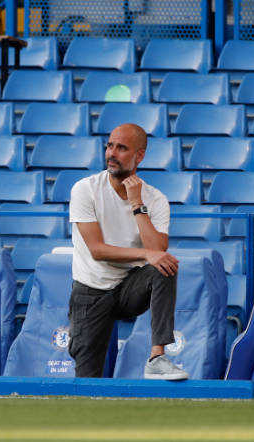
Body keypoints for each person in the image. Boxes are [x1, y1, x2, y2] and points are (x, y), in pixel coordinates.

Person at [67, 123, 188, 380]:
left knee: (164, 266)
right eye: (110, 145)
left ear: (139, 156)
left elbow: (157, 251)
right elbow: (97, 251)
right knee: (87, 381)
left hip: (128, 289)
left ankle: (157, 357)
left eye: (122, 148)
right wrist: (145, 255)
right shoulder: (84, 189)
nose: (112, 153)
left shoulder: (155, 199)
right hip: (91, 291)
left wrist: (137, 203)